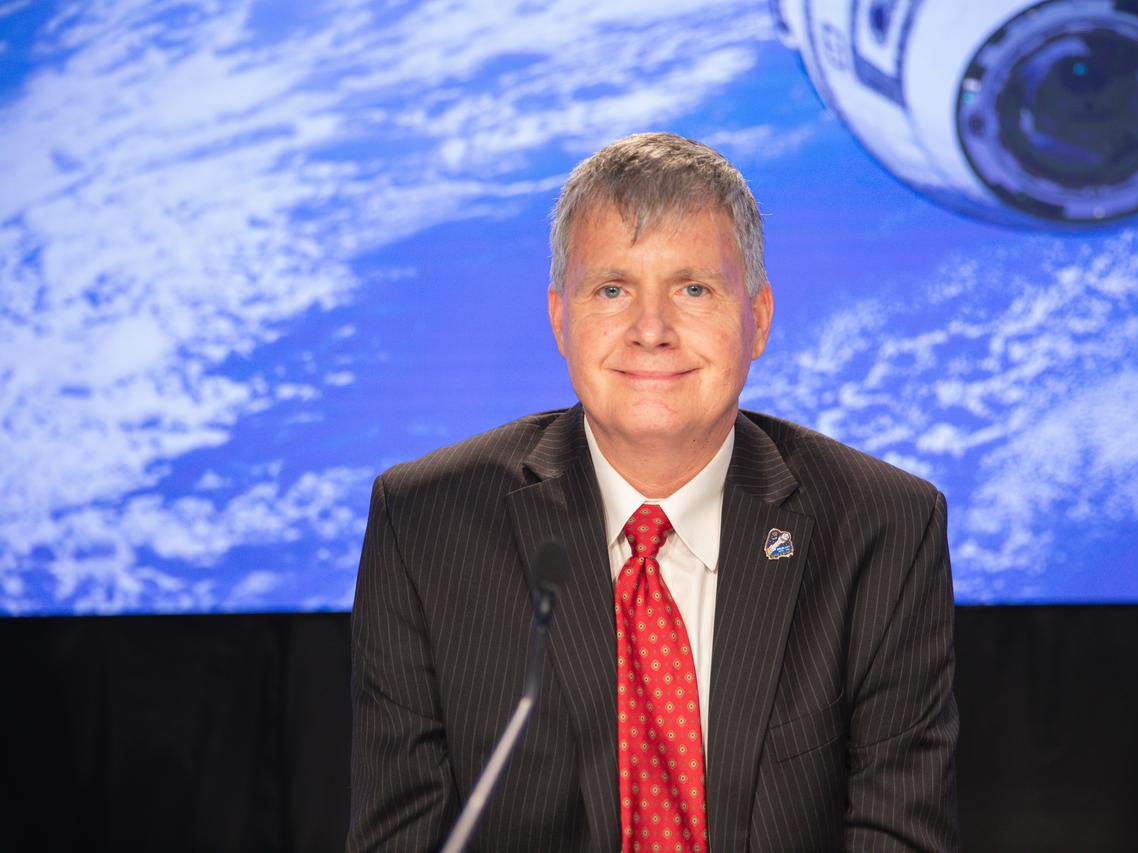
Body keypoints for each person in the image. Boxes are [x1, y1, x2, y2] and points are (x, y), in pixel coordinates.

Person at [348, 132, 958, 852]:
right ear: (560, 319)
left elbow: (898, 836)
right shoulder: (424, 525)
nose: (651, 331)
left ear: (757, 320)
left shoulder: (882, 526)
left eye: (693, 288)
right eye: (612, 289)